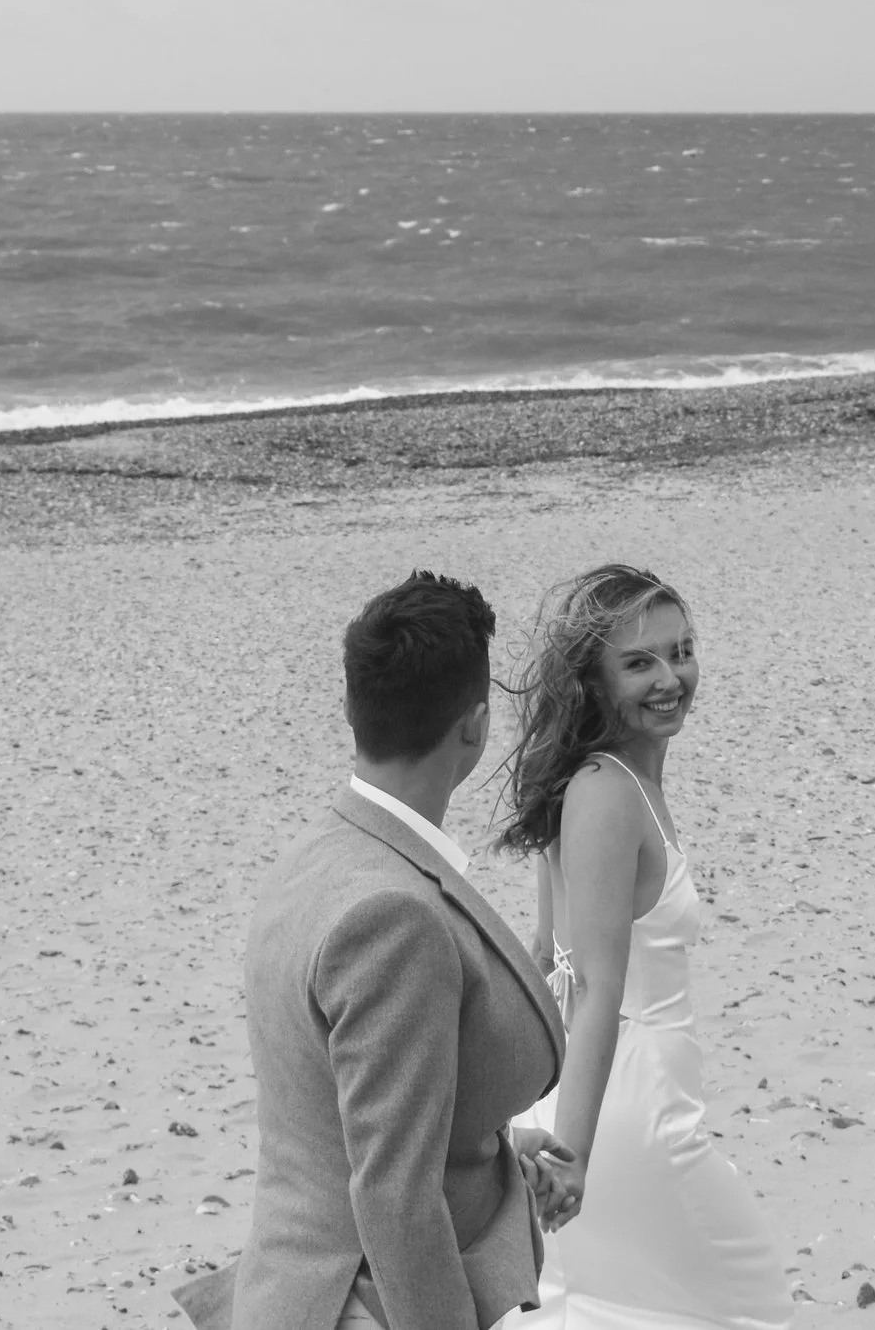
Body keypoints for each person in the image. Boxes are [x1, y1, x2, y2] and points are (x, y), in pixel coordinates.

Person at [176, 570, 573, 1330]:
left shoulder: (315, 857)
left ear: (353, 710)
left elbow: (337, 1102)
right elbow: (393, 1193)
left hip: (290, 1275)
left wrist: (487, 1141)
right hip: (357, 1306)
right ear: (476, 726)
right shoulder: (396, 916)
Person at [501, 565, 793, 1330]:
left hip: (601, 1097)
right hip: (627, 1110)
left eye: (682, 650)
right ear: (592, 683)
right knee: (748, 1305)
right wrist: (574, 1152)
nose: (672, 677)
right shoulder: (605, 792)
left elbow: (541, 957)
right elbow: (586, 983)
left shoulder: (601, 780)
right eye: (640, 662)